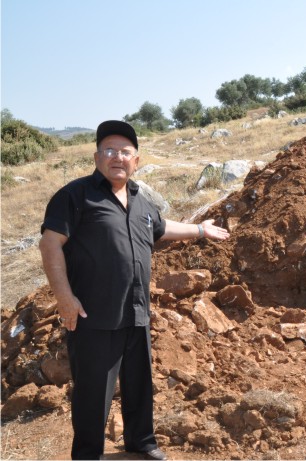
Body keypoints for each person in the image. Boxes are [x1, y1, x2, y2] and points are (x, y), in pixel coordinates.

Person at [39, 120, 230, 460]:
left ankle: (141, 442)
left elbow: (160, 228)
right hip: (93, 314)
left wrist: (200, 229)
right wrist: (64, 298)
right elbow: (50, 244)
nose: (118, 157)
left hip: (136, 309)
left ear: (136, 160)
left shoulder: (141, 199)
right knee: (94, 391)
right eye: (110, 150)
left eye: (125, 151)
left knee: (139, 383)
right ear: (98, 157)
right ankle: (87, 454)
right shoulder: (75, 195)